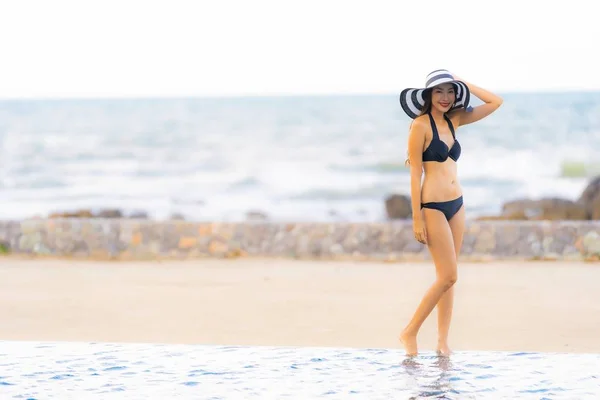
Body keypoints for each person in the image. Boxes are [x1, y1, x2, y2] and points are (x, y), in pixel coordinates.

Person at [397, 69, 503, 356]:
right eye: (439, 91)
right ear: (428, 95)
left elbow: (496, 102)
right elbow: (415, 173)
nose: (445, 97)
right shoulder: (420, 126)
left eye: (450, 91)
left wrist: (465, 84)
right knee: (448, 275)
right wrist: (416, 217)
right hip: (432, 207)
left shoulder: (454, 120)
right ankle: (409, 332)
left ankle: (442, 341)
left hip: (457, 203)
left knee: (450, 276)